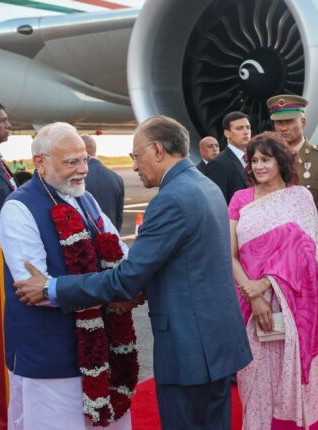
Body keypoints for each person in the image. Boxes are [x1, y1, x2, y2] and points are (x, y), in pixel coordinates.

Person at [14, 115, 253, 430]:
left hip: (189, 351)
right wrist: (139, 291)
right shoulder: (204, 185)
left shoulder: (170, 199)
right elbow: (185, 264)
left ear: (157, 150)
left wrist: (52, 289)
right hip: (217, 343)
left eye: (136, 157)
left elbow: (126, 277)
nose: (136, 166)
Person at [0, 122, 140, 429]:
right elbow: (34, 289)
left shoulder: (85, 199)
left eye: (85, 159)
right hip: (50, 356)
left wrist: (122, 282)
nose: (83, 169)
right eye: (71, 162)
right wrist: (115, 287)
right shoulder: (18, 208)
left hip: (100, 348)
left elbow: (120, 256)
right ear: (40, 162)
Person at [230, 132, 318, 428]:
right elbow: (229, 254)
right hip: (250, 305)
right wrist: (253, 294)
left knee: (287, 382)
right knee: (253, 380)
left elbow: (307, 255)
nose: (259, 166)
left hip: (292, 305)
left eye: (266, 159)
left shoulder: (299, 198)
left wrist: (264, 285)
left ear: (281, 161)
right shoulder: (240, 199)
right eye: (254, 160)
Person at [267, 94, 318, 424]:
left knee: (314, 332)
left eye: (289, 121)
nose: (284, 128)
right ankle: (282, 392)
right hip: (271, 262)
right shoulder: (265, 157)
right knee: (276, 330)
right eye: (278, 123)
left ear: (303, 121)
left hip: (308, 262)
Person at [82, 134, 126, 231]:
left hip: (87, 240)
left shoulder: (78, 177)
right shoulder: (117, 178)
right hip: (111, 238)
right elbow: (119, 217)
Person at [206, 112, 252, 203]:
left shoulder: (256, 157)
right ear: (227, 133)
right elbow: (217, 202)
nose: (246, 132)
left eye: (248, 127)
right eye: (239, 128)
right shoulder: (217, 164)